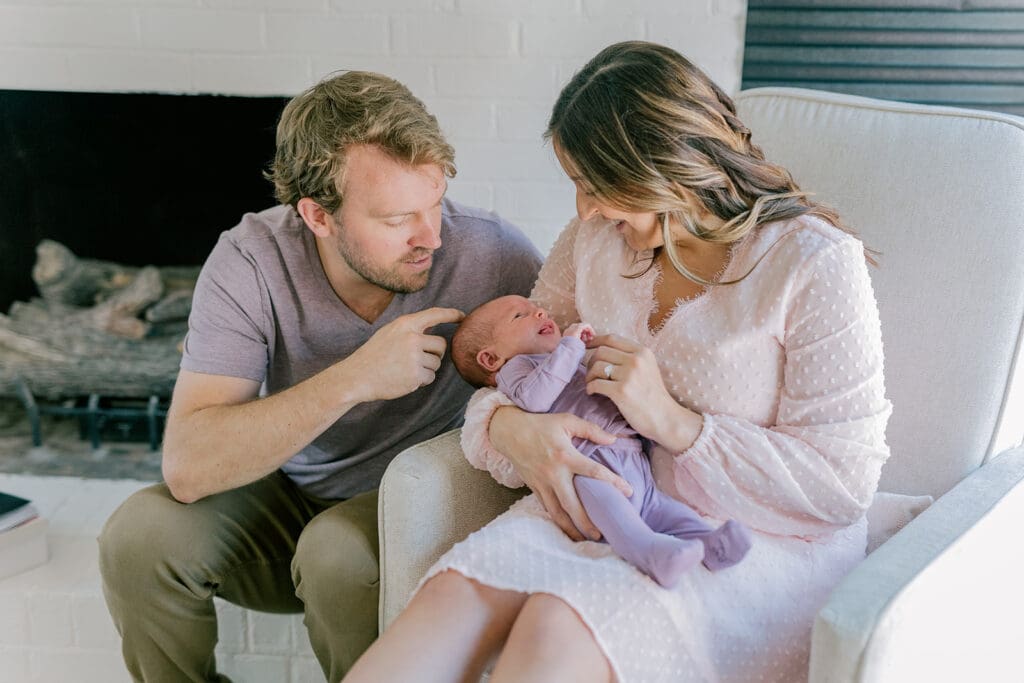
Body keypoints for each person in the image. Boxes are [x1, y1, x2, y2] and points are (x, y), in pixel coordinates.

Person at [342, 41, 892, 683]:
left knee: (555, 626)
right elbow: (512, 369)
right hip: (594, 505)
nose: (584, 210)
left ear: (664, 166)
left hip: (745, 540)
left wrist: (675, 422)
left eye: (594, 186)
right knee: (445, 604)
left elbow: (842, 486)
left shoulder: (813, 264)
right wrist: (507, 427)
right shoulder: (593, 241)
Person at [96, 71, 543, 682]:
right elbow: (189, 466)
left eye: (435, 202)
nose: (431, 237)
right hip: (292, 496)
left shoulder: (494, 256)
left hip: (417, 502)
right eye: (396, 219)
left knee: (336, 551)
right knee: (138, 538)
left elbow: (560, 388)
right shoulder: (251, 261)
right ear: (317, 215)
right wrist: (355, 377)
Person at [452, 294, 752, 588]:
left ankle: (710, 542)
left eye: (538, 309)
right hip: (586, 465)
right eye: (520, 315)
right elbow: (536, 399)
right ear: (491, 359)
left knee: (659, 507)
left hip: (629, 454)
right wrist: (570, 347)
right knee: (617, 513)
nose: (540, 314)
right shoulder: (517, 370)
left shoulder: (561, 358)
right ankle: (651, 553)